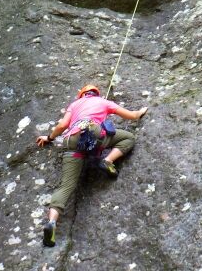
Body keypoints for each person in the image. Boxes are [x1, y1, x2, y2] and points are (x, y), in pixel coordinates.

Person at [36, 84, 148, 247]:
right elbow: (132, 116)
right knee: (128, 138)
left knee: (66, 186)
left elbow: (62, 125)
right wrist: (141, 111)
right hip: (93, 135)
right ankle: (108, 160)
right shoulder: (103, 101)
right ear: (96, 93)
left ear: (81, 94)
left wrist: (49, 137)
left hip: (71, 142)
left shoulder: (74, 104)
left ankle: (52, 222)